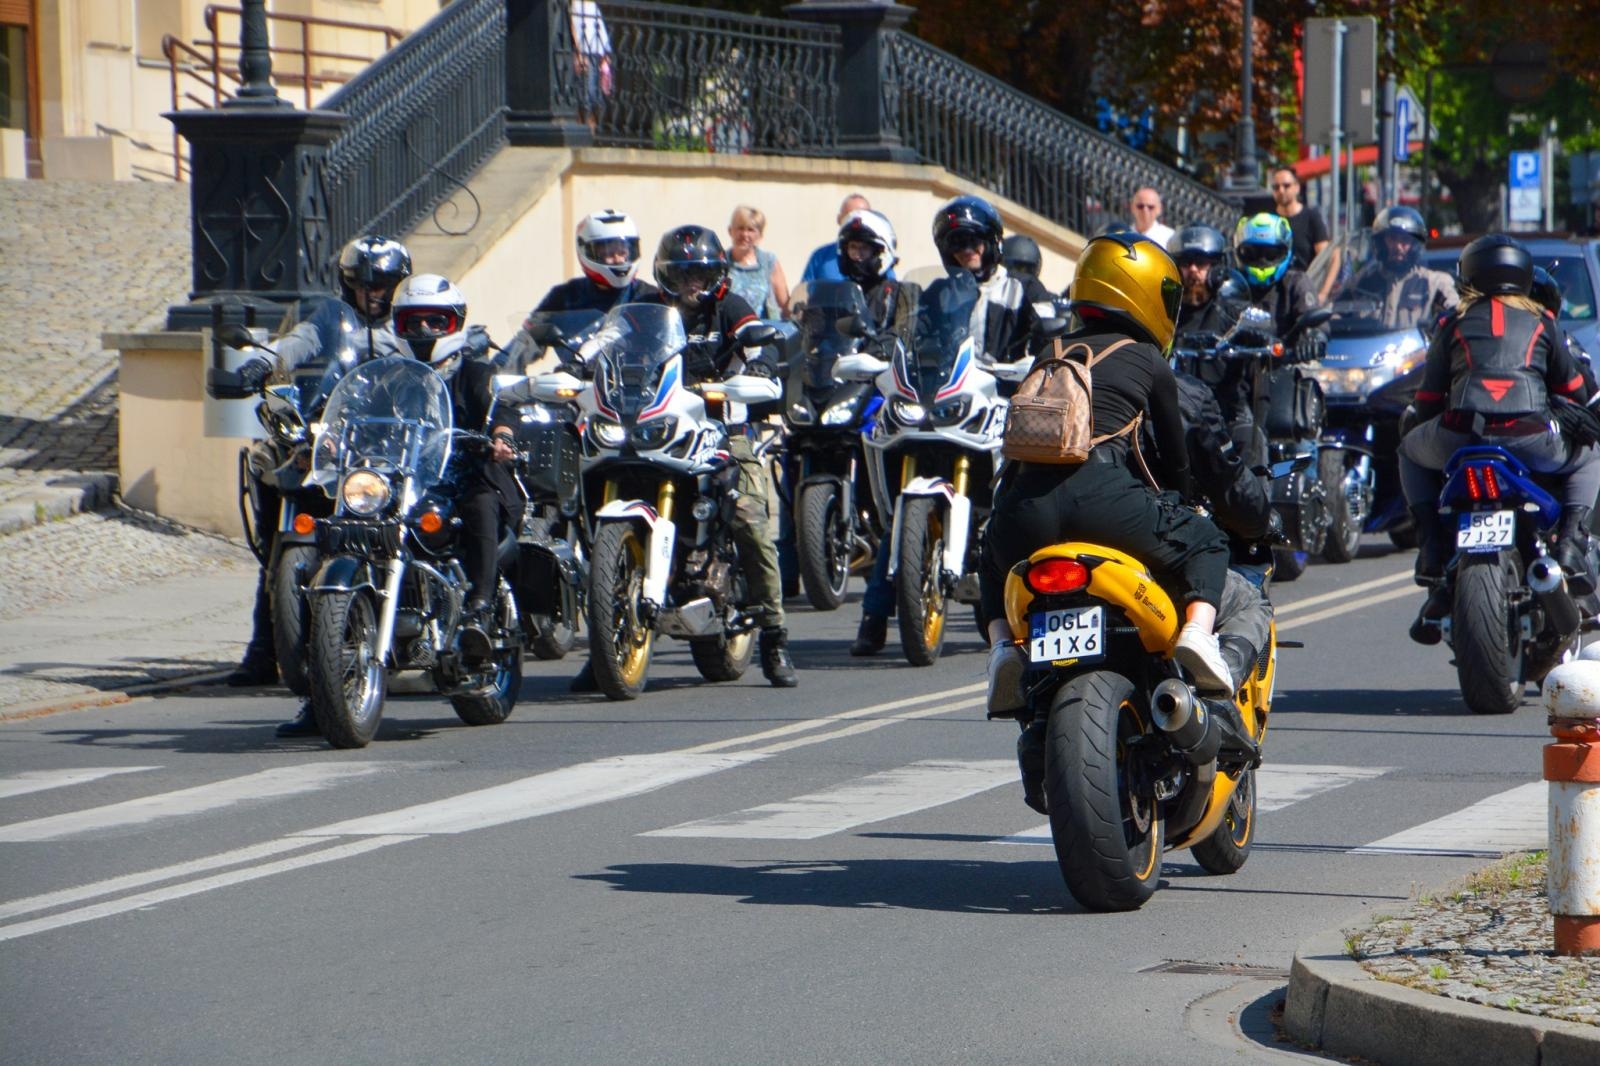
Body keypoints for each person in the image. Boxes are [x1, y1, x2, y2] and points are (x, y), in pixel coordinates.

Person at [979, 232, 1234, 717]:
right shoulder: (1147, 359)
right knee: (1207, 542)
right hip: (1105, 501)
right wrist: (1186, 505)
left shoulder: (1048, 350)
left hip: (1026, 510)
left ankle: (1002, 652)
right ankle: (1200, 638)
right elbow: (1176, 460)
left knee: (990, 560)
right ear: (1141, 290)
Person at [224, 235, 412, 730]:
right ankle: (267, 648)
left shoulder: (407, 323)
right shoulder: (332, 316)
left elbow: (430, 367)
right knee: (275, 521)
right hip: (328, 438)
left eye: (385, 283)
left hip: (388, 448)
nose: (375, 292)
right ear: (348, 283)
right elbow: (298, 342)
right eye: (365, 283)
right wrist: (265, 362)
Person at [1399, 234, 1600, 644]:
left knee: (1408, 451)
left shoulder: (1451, 323)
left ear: (1468, 276)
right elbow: (1578, 391)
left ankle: (1432, 547)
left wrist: (1432, 426)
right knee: (1592, 453)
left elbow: (1427, 399)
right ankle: (1572, 543)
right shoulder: (1543, 321)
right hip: (1531, 439)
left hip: (1461, 438)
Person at [658, 225, 798, 686]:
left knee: (750, 518)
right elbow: (614, 342)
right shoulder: (654, 311)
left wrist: (759, 360)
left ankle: (775, 636)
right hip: (664, 427)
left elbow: (759, 336)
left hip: (723, 430)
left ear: (716, 274)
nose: (690, 285)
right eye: (681, 276)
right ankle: (603, 641)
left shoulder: (729, 308)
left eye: (698, 275)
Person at [390, 274, 520, 664]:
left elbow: (500, 407)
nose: (424, 330)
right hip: (406, 483)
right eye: (414, 322)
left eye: (435, 321)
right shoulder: (392, 378)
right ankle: (318, 662)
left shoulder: (474, 374)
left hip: (465, 478)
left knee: (480, 504)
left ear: (455, 324)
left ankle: (478, 604)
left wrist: (501, 436)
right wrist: (329, 439)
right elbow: (359, 410)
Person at [932, 195, 1054, 366]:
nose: (966, 250)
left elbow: (1047, 331)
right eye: (956, 242)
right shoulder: (940, 293)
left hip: (1007, 388)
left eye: (973, 240)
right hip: (949, 387)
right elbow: (917, 334)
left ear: (991, 240)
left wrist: (1030, 358)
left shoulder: (1024, 287)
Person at [1338, 206, 1457, 330]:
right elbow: (1333, 313)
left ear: (1415, 245)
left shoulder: (1434, 282)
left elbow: (1458, 312)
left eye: (1405, 240)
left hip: (1418, 348)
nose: (1398, 246)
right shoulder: (1361, 282)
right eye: (1392, 239)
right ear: (1380, 242)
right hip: (1369, 348)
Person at [1233, 212, 1327, 360]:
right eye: (1252, 253)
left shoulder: (1296, 282)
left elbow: (1314, 318)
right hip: (1233, 371)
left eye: (1271, 254)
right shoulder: (1231, 283)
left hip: (1283, 369)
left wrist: (1314, 335)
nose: (1262, 261)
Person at [532, 210, 658, 313]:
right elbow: (530, 334)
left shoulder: (649, 298)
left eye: (622, 253)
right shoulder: (567, 296)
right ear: (586, 252)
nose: (618, 260)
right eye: (608, 254)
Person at [1268, 165, 1334, 281]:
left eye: (1286, 185)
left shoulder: (1311, 217)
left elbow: (1327, 258)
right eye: (1276, 187)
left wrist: (1322, 293)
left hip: (1304, 287)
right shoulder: (1268, 220)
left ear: (1297, 187)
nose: (1281, 190)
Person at [799, 193, 882, 284]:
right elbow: (805, 293)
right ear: (839, 219)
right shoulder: (820, 256)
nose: (857, 222)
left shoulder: (879, 256)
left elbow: (890, 291)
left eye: (863, 216)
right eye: (850, 216)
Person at [726, 205, 790, 319]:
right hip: (729, 332)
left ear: (760, 235)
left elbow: (786, 306)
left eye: (750, 230)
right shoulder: (722, 263)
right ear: (730, 231)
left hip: (763, 331)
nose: (745, 234)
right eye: (740, 228)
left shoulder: (769, 262)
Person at [570, 0, 612, 133]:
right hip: (585, 53)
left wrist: (605, 53)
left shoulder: (593, 5)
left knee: (595, 96)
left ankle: (590, 129)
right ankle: (584, 128)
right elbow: (574, 28)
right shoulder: (575, 5)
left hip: (596, 53)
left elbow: (600, 28)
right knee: (585, 94)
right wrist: (578, 51)